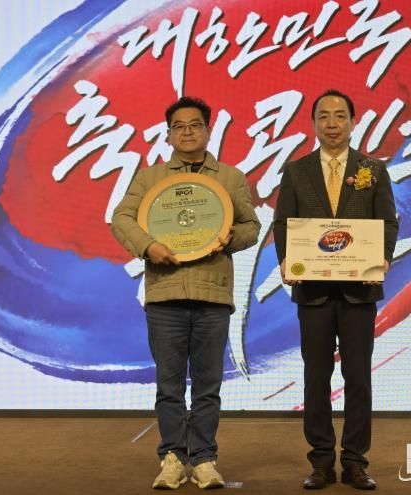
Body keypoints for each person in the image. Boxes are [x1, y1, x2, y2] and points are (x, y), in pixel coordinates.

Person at [111, 96, 260, 490]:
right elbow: (121, 218)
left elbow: (251, 227)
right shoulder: (150, 179)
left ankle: (206, 459)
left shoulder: (230, 178)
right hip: (165, 295)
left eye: (195, 125)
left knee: (209, 387)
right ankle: (173, 459)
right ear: (169, 134)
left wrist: (230, 237)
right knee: (169, 386)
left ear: (208, 131)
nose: (188, 132)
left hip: (213, 297)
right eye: (179, 126)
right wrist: (148, 246)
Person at [274, 90, 398, 490]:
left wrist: (381, 259)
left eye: (340, 116)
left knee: (358, 378)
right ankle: (322, 462)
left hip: (359, 292)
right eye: (324, 116)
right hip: (313, 293)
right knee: (316, 379)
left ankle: (356, 461)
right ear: (313, 123)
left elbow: (387, 222)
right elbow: (284, 223)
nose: (332, 123)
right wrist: (288, 261)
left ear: (352, 122)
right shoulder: (296, 171)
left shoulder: (372, 170)